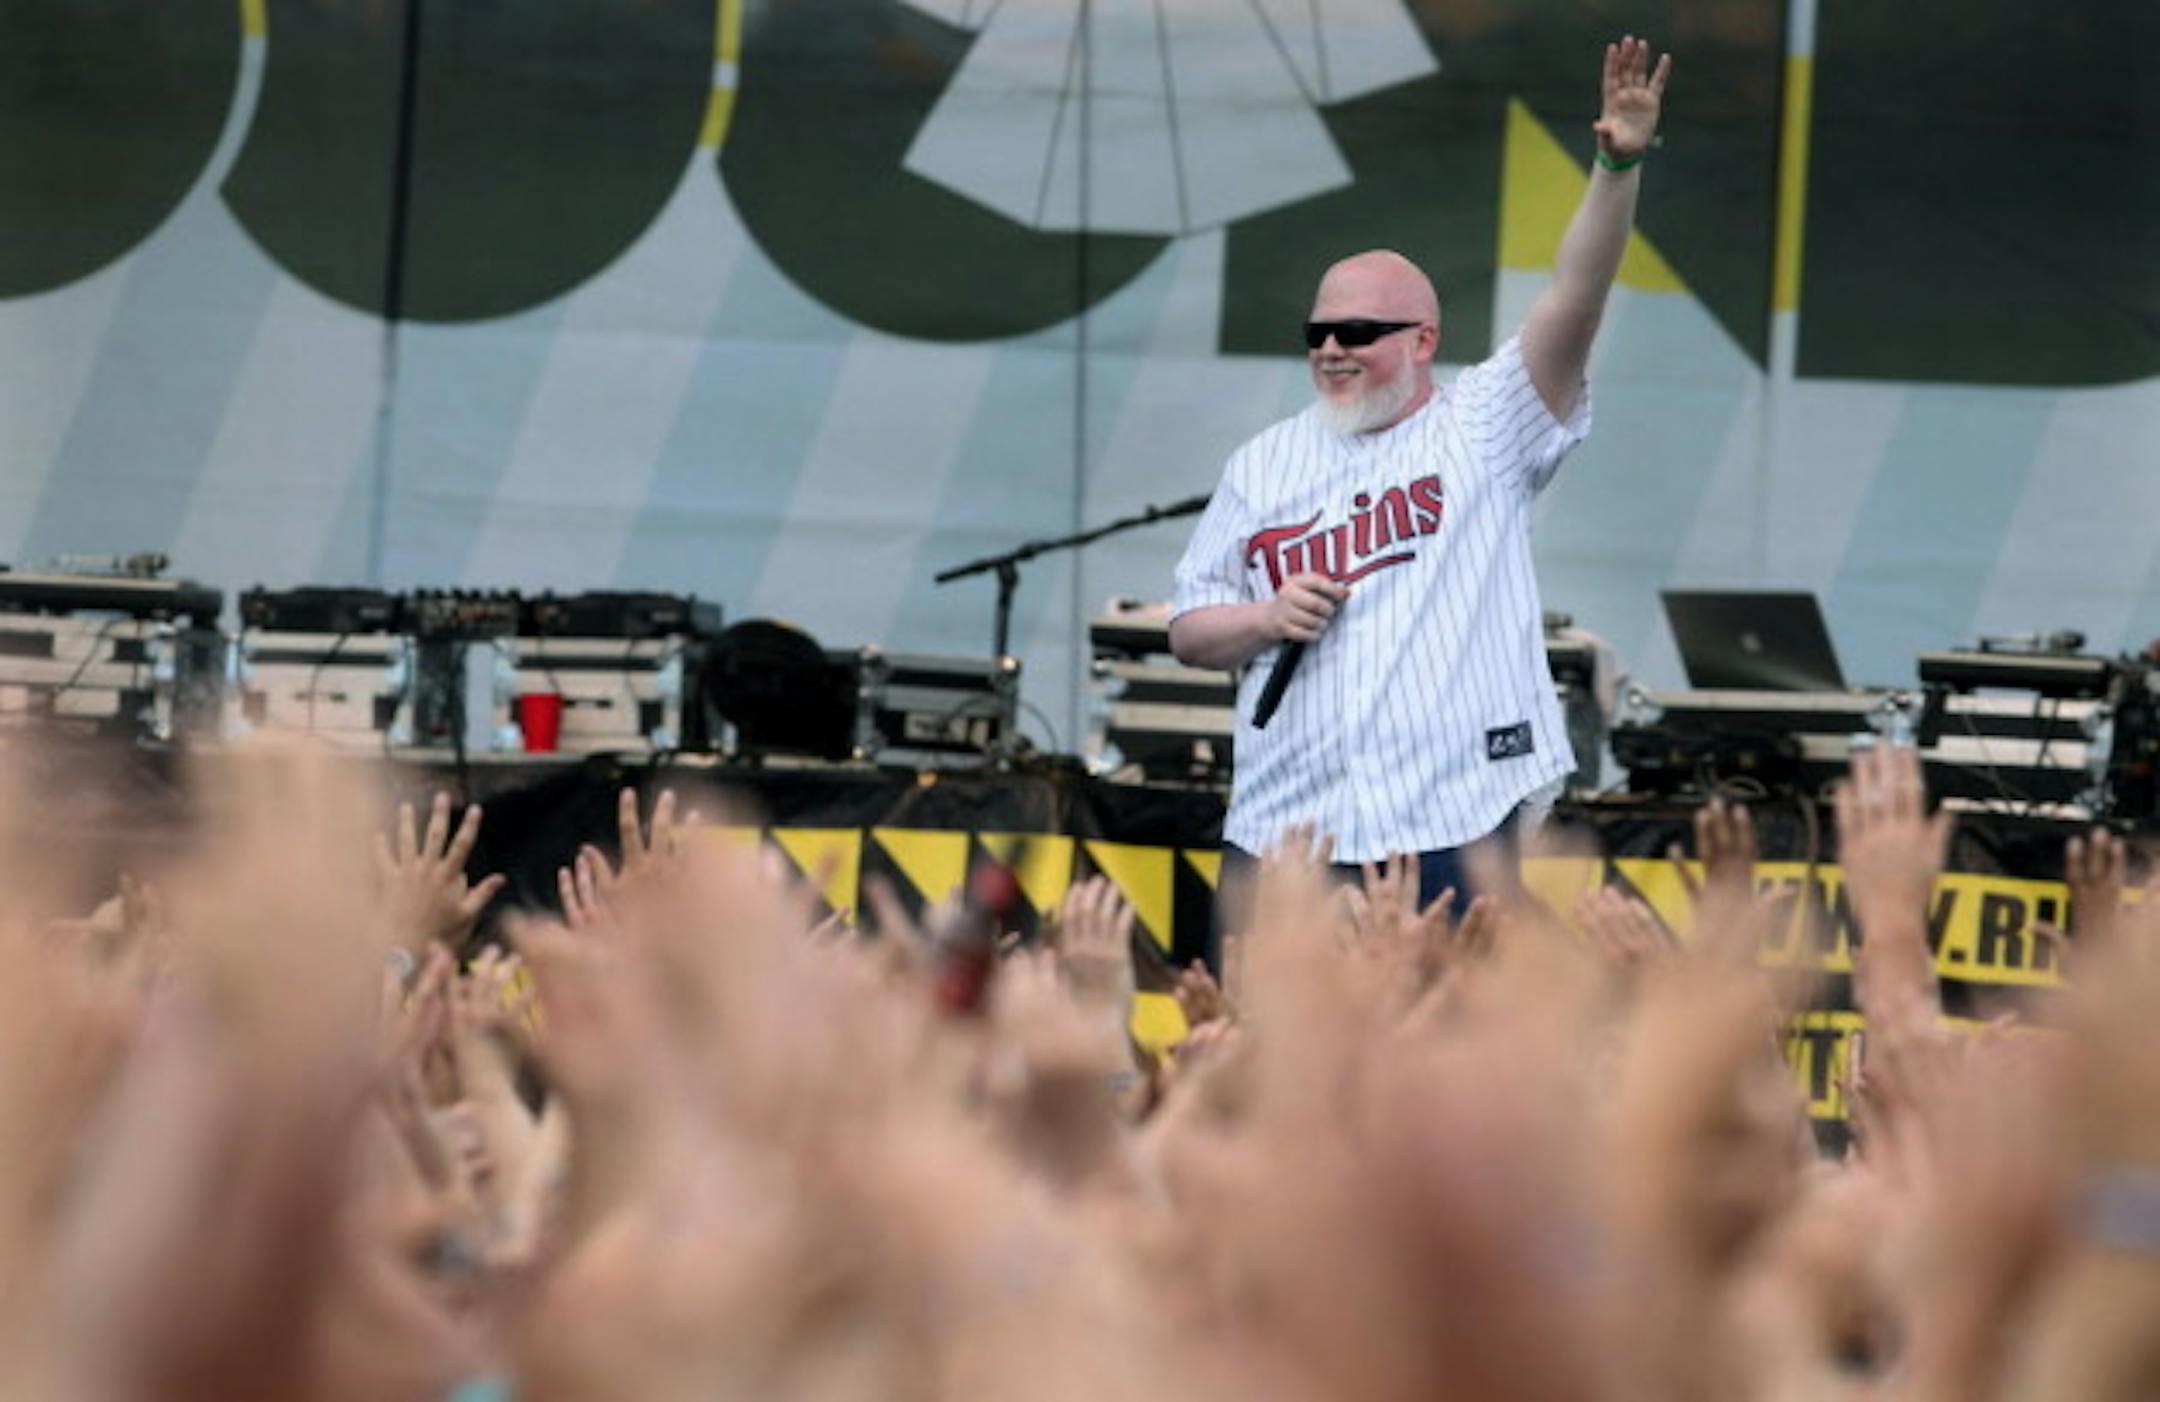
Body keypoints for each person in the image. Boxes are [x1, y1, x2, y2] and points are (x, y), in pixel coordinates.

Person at [1169, 36, 1672, 912]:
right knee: (1264, 1052)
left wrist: (1614, 164)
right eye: (1318, 334)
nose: (1332, 348)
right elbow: (1188, 628)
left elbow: (1576, 298)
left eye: (1359, 332)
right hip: (1290, 828)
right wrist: (1263, 615)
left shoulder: (1483, 420)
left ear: (1422, 341)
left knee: (1448, 1052)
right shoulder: (1264, 461)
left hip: (1456, 818)